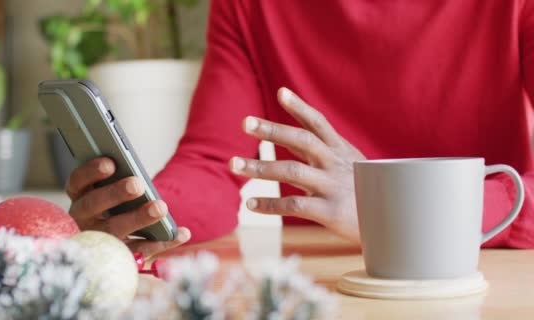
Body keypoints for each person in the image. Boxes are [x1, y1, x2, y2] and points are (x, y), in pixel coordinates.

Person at [65, 1, 534, 256]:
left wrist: (397, 208)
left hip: (484, 273)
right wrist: (142, 207)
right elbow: (211, 163)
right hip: (325, 286)